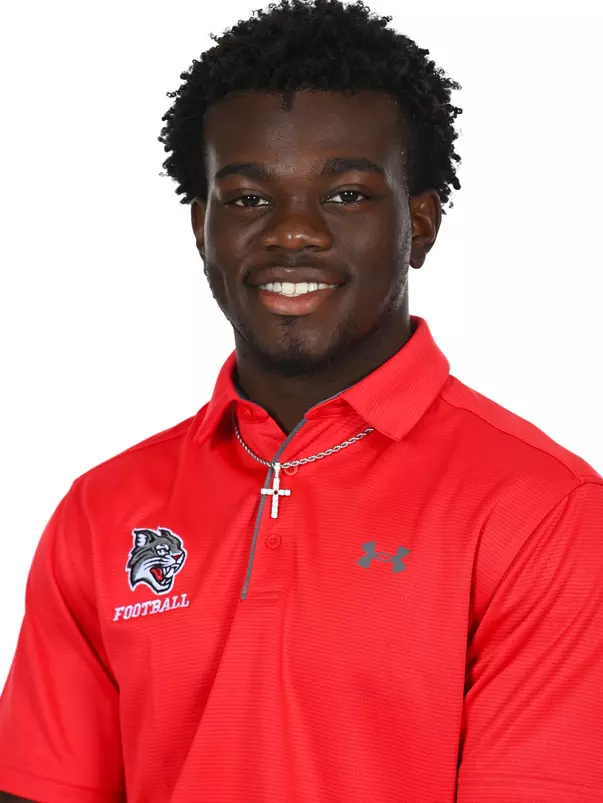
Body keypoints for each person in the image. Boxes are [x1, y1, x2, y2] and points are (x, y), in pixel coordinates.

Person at [1, 0, 602, 801]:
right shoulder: (101, 510)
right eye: (248, 199)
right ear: (200, 227)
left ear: (419, 224)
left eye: (346, 195)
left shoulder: (544, 512)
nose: (292, 232)